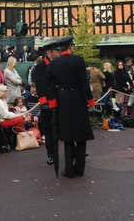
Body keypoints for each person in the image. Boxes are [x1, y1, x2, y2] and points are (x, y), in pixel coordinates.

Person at [45, 36, 95, 178]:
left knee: (67, 137)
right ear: (70, 47)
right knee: (80, 136)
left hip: (62, 101)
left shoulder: (54, 63)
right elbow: (84, 82)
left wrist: (53, 102)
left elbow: (49, 85)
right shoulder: (78, 61)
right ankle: (79, 168)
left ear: (60, 49)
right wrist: (90, 100)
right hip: (78, 99)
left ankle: (69, 170)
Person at [31, 42, 62, 165]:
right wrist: (46, 103)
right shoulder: (40, 67)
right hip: (48, 104)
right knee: (49, 131)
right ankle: (51, 154)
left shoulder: (59, 65)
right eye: (56, 52)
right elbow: (41, 87)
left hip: (60, 102)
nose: (59, 54)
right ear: (49, 53)